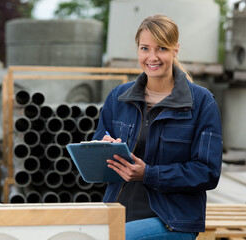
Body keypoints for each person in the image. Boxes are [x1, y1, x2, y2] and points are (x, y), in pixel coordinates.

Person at [92, 15, 222, 240]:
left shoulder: (201, 102)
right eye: (145, 48)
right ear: (138, 50)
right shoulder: (118, 98)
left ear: (175, 50)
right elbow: (96, 165)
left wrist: (148, 174)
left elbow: (207, 173)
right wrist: (101, 151)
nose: (152, 57)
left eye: (161, 48)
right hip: (117, 211)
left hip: (172, 219)